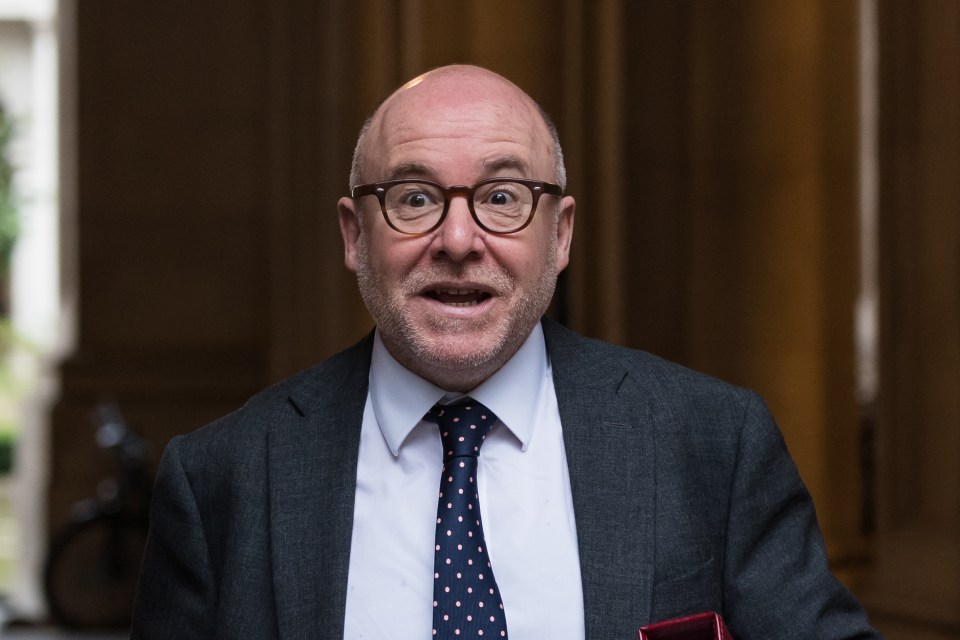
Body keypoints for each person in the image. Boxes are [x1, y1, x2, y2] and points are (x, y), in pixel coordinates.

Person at [131, 64, 881, 639]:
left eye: (502, 197)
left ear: (560, 236)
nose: (458, 241)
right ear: (354, 237)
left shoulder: (713, 443)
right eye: (415, 197)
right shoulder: (221, 480)